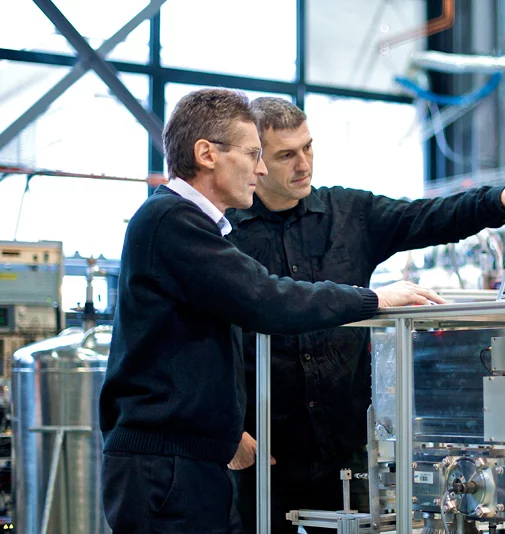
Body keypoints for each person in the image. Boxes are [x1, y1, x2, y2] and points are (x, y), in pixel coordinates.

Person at [98, 88, 443, 534]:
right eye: (253, 154)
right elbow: (266, 299)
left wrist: (224, 431)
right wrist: (374, 298)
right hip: (165, 466)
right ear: (207, 153)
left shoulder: (187, 223)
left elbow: (202, 345)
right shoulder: (173, 221)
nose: (260, 169)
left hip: (185, 459)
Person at [226, 97, 505, 533]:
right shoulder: (225, 233)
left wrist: (500, 200)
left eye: (308, 147)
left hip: (348, 449)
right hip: (261, 449)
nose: (304, 164)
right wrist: (228, 429)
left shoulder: (349, 215)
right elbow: (200, 337)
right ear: (257, 161)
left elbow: (427, 216)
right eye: (286, 155)